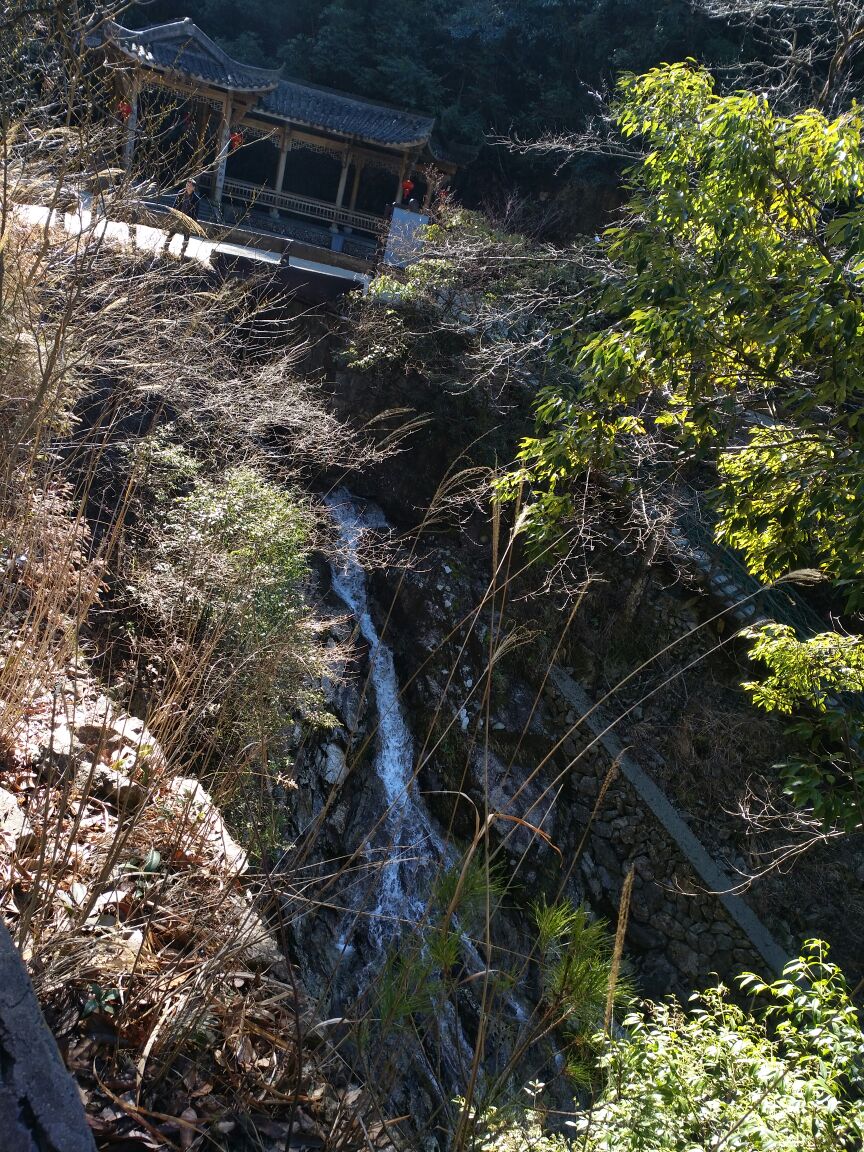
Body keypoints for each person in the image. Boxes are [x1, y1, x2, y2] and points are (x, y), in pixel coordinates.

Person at [173, 179, 201, 258]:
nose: (188, 187)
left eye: (190, 186)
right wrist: (173, 213)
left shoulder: (196, 199)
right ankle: (165, 246)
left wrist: (193, 222)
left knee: (186, 237)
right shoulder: (181, 193)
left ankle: (182, 252)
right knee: (172, 231)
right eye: (187, 185)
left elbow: (196, 212)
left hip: (188, 219)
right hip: (179, 216)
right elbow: (175, 204)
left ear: (193, 188)